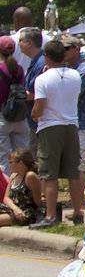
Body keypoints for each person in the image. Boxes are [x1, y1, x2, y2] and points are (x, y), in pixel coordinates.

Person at [31, 38, 85, 226]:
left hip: (50, 126)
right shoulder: (75, 75)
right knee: (73, 172)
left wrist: (33, 114)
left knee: (49, 173)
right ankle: (79, 211)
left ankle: (51, 216)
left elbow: (39, 107)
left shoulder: (42, 79)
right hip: (71, 124)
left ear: (47, 56)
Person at [60, 35, 85, 159]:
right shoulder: (66, 69)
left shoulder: (84, 72)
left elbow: (68, 96)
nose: (62, 52)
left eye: (66, 48)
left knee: (78, 167)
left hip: (83, 126)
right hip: (70, 125)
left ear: (76, 49)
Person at [0, 38, 31, 175]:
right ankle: (25, 187)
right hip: (20, 116)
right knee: (23, 157)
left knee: (4, 159)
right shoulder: (18, 69)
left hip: (3, 118)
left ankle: (7, 192)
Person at [0, 148, 44, 227]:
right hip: (13, 209)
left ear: (20, 163)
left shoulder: (30, 176)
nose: (9, 165)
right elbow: (6, 198)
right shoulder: (13, 176)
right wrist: (15, 209)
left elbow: (38, 202)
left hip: (25, 212)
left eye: (11, 162)